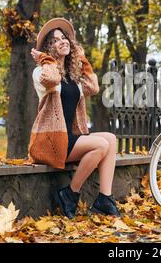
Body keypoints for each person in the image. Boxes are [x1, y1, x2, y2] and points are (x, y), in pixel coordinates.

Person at [28, 18, 120, 219]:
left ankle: (105, 198)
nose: (62, 41)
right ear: (48, 48)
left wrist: (81, 58)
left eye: (64, 37)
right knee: (101, 145)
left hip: (69, 138)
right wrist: (45, 60)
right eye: (55, 40)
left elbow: (94, 88)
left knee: (111, 139)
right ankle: (70, 193)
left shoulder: (73, 76)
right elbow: (51, 80)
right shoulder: (41, 72)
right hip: (51, 141)